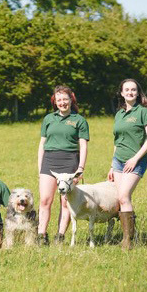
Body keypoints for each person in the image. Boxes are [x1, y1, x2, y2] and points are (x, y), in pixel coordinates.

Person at [107, 78, 147, 250]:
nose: (130, 92)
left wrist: (135, 158)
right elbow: (117, 141)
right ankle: (124, 236)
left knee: (124, 196)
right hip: (119, 161)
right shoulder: (119, 114)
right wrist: (112, 166)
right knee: (120, 200)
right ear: (121, 93)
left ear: (138, 92)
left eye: (133, 90)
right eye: (126, 90)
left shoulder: (145, 112)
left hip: (136, 161)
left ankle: (129, 241)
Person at [37, 85, 89, 245]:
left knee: (65, 202)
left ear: (71, 99)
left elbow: (83, 146)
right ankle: (41, 236)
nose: (62, 102)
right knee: (45, 200)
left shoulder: (79, 120)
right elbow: (42, 144)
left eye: (65, 99)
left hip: (70, 161)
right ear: (55, 101)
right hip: (49, 161)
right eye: (59, 100)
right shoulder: (48, 119)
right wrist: (40, 168)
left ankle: (60, 236)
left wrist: (80, 168)